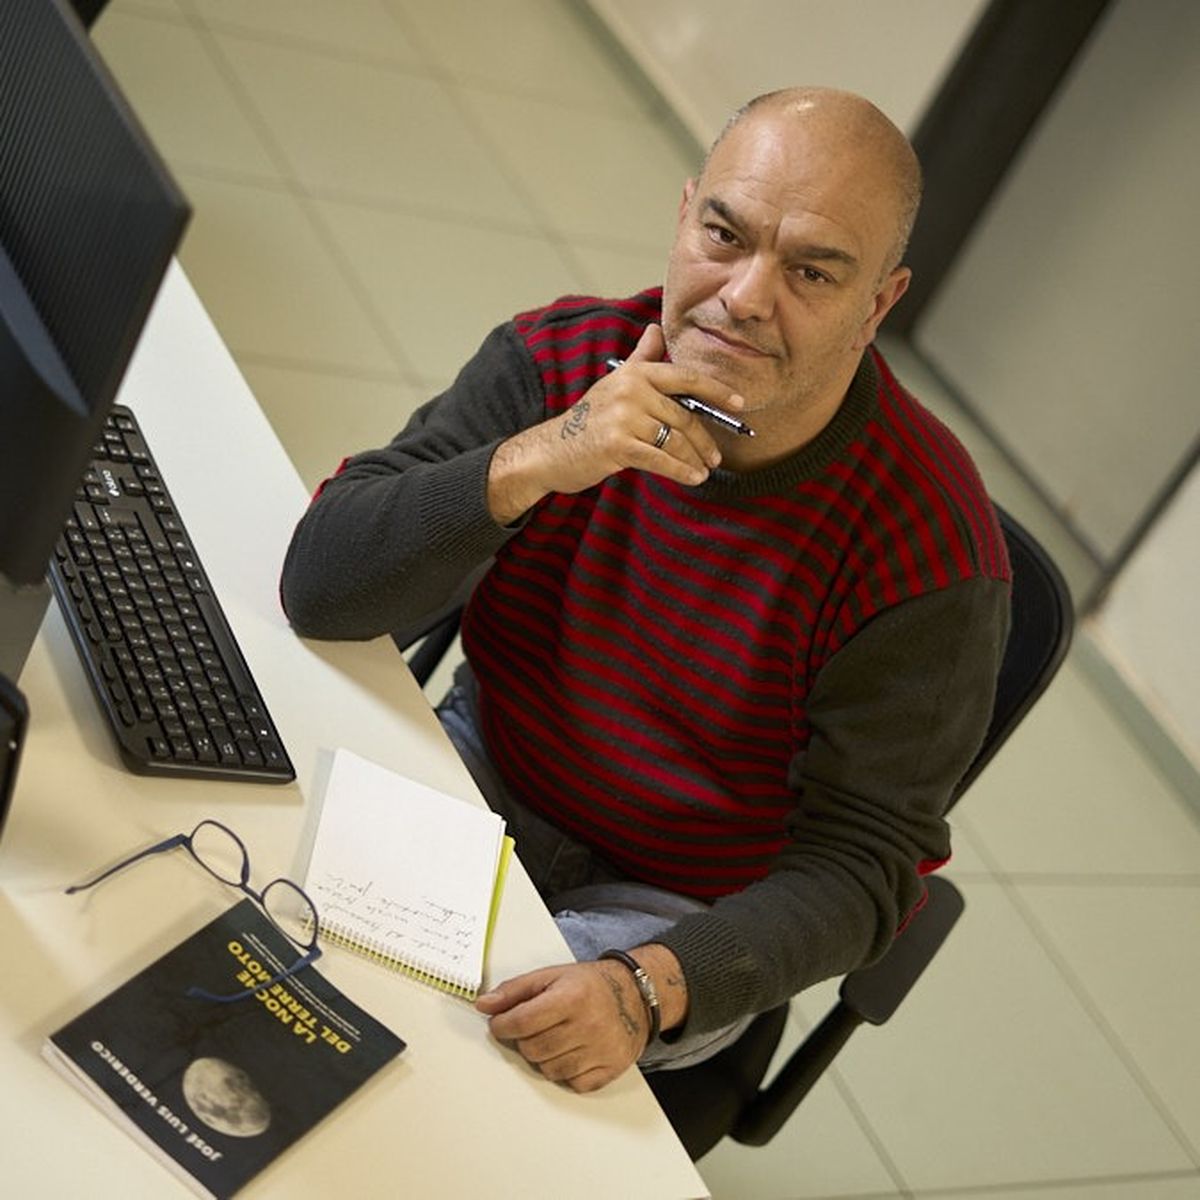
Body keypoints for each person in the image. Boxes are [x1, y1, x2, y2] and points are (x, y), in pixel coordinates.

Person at [280, 87, 1010, 1094]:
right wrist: (543, 457)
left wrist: (647, 989)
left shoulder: (928, 550)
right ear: (684, 218)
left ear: (878, 305)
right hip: (495, 762)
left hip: (683, 906)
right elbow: (321, 587)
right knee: (283, 943)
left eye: (811, 271)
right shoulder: (560, 359)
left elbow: (861, 868)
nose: (746, 296)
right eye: (725, 233)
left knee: (473, 1093)